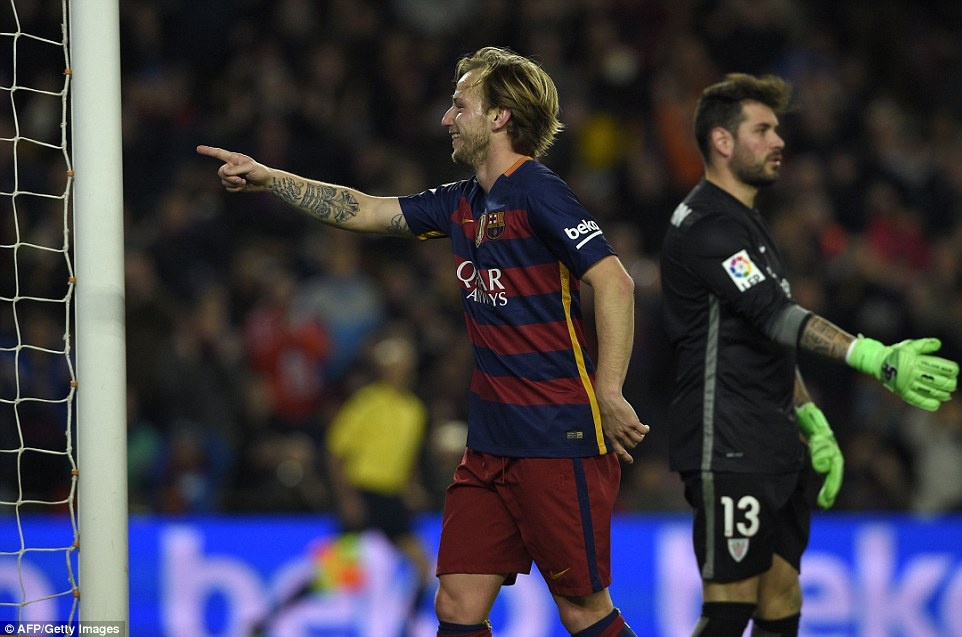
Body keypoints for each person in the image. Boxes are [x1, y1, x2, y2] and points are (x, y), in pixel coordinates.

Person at [198, 46, 645, 637]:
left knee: (583, 610)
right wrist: (270, 178)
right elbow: (365, 210)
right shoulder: (462, 202)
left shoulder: (538, 191)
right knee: (457, 606)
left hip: (555, 437)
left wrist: (609, 391)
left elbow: (614, 281)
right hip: (489, 444)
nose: (446, 118)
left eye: (460, 105)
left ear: (500, 117)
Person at [658, 72, 959, 637]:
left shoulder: (748, 224)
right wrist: (873, 356)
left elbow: (763, 336)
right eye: (762, 130)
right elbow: (778, 315)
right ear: (722, 140)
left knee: (781, 595)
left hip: (770, 437)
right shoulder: (704, 226)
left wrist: (807, 415)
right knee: (730, 606)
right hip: (726, 439)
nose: (778, 141)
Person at [326, 334, 433, 632]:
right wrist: (347, 498)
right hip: (363, 491)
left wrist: (411, 488)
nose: (400, 371)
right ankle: (271, 618)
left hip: (391, 495)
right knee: (333, 572)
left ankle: (406, 629)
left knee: (422, 567)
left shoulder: (415, 410)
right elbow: (336, 453)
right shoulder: (366, 402)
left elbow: (406, 458)